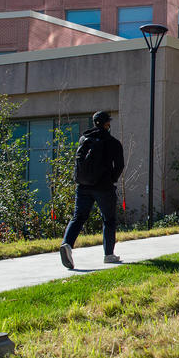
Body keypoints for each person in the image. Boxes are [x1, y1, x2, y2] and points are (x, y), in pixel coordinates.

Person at [60, 110, 125, 268]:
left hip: (83, 186)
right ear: (106, 124)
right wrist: (111, 179)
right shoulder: (113, 142)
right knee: (108, 219)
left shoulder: (84, 139)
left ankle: (67, 244)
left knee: (78, 217)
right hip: (104, 187)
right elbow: (120, 166)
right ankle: (109, 254)